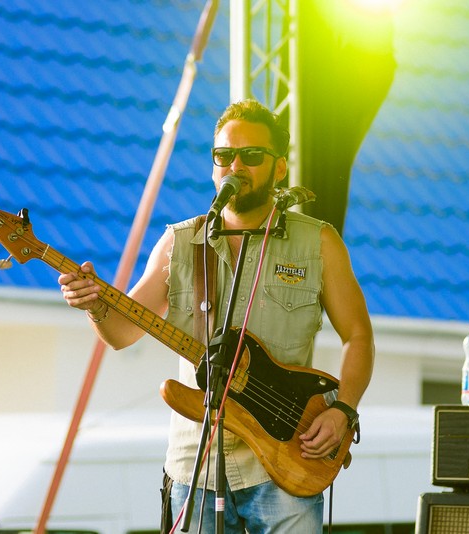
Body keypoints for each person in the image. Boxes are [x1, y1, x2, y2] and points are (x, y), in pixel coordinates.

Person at [58, 99, 374, 533]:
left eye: (252, 155)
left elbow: (358, 336)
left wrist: (344, 411)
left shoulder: (318, 242)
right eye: (224, 155)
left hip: (287, 462)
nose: (235, 166)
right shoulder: (179, 243)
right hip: (196, 466)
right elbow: (122, 333)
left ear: (280, 168)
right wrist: (95, 306)